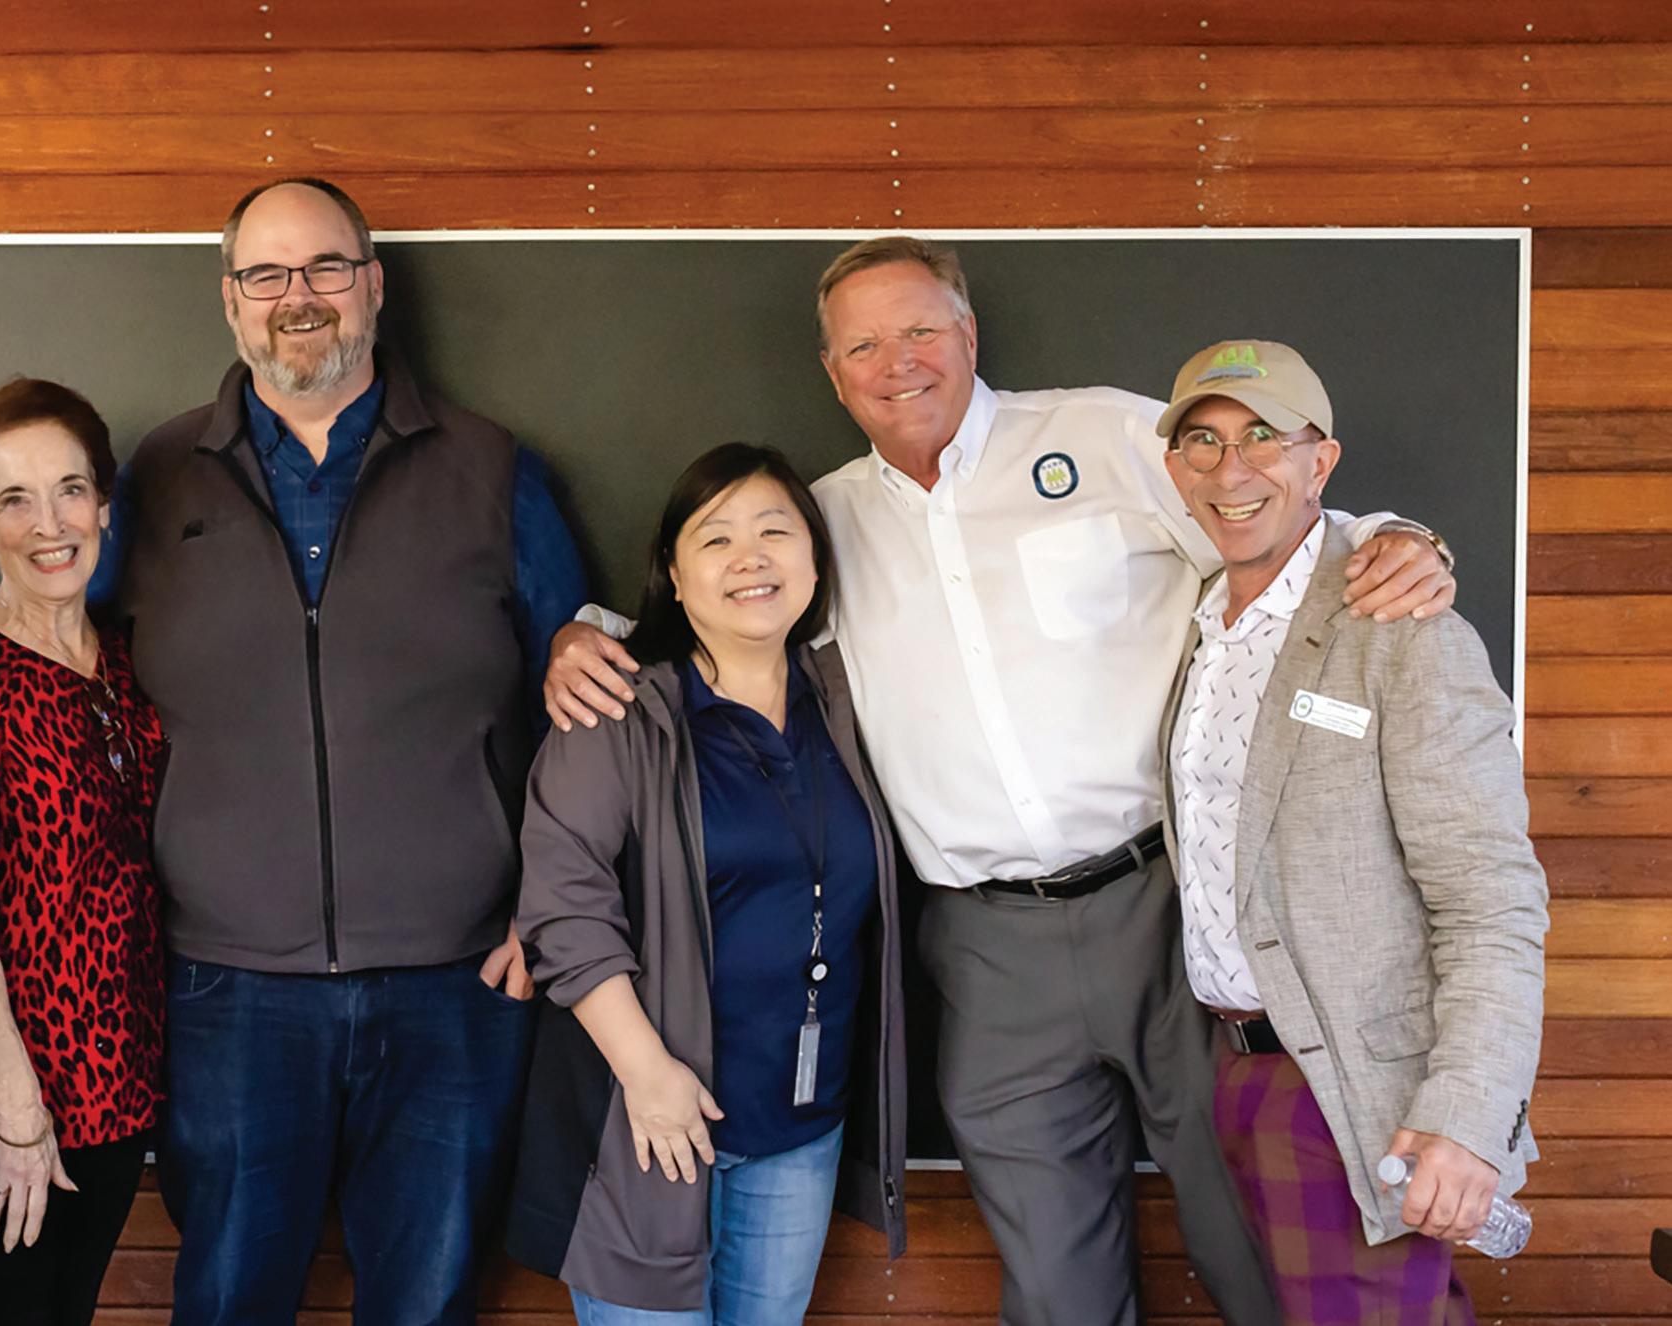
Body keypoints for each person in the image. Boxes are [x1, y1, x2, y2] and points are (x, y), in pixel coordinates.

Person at [545, 236, 1461, 1324]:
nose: (898, 363)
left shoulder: (1106, 435)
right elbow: (709, 619)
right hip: (985, 950)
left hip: (1170, 914)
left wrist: (1397, 536)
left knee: (1247, 1228)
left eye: (921, 330)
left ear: (969, 335)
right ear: (832, 374)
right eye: (863, 346)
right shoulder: (818, 521)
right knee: (1055, 1275)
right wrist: (580, 634)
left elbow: (1267, 516)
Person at [108, 176, 590, 1324]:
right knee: (228, 1301)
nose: (299, 296)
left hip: (460, 985)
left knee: (426, 1306)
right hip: (225, 991)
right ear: (230, 300)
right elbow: (63, 673)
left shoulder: (494, 470)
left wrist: (554, 906)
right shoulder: (152, 480)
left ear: (373, 286)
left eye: (327, 266)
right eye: (266, 273)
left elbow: (580, 705)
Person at [1154, 340, 1546, 1322]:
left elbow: (1491, 896)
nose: (1230, 470)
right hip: (1238, 1068)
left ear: (1319, 461)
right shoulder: (1201, 623)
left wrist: (1467, 1115)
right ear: (1174, 467)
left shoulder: (1402, 627)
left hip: (1366, 1093)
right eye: (1203, 441)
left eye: (1263, 438)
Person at [506, 444, 907, 1323]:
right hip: (648, 1119)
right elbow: (564, 910)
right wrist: (648, 1076)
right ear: (676, 579)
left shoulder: (849, 701)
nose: (749, 558)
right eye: (715, 539)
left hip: (799, 1123)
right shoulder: (616, 706)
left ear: (815, 562)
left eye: (774, 532)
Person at [0, 378, 167, 1324]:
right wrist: (17, 1105)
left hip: (120, 1080)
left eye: (70, 489)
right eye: (14, 500)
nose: (49, 523)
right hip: (8, 1097)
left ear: (104, 502)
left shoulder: (131, 663)